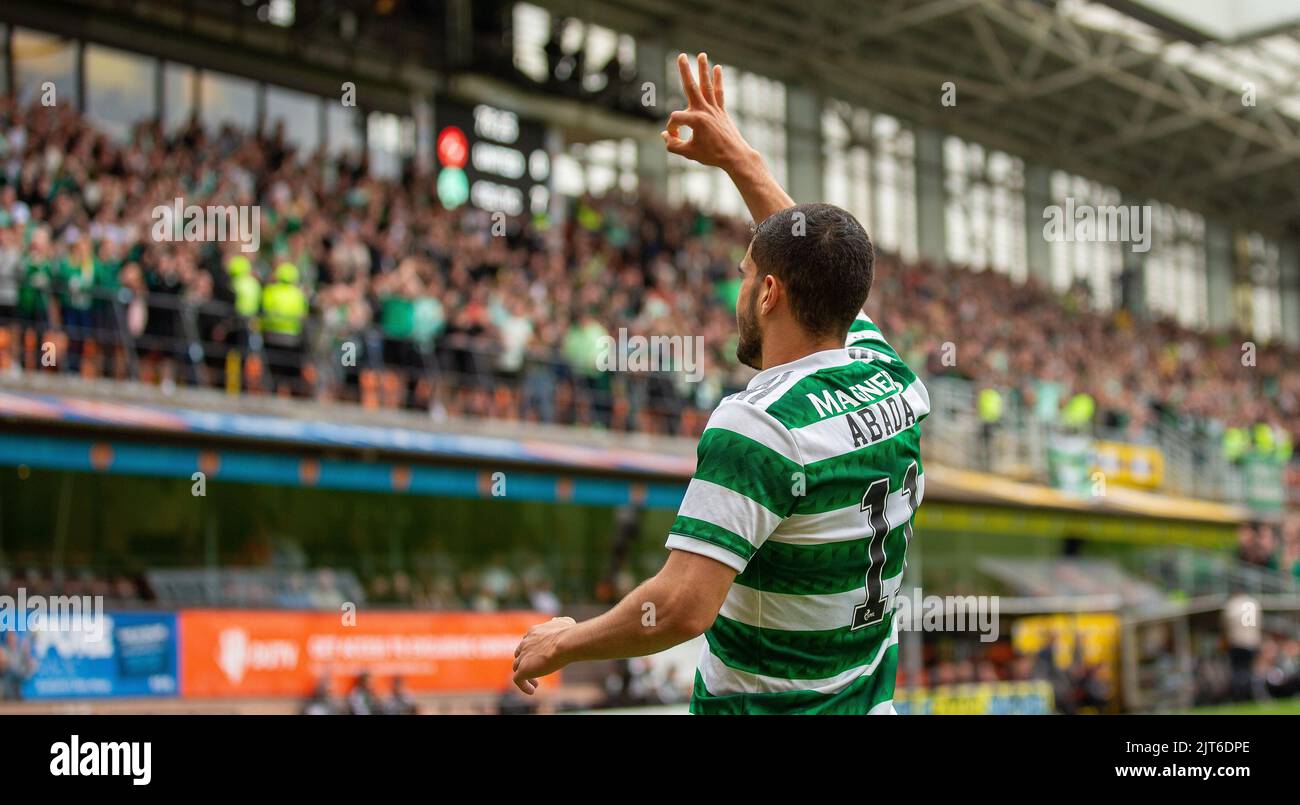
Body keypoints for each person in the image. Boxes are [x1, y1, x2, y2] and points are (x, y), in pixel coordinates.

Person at [512, 53, 928, 714]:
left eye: (743, 273)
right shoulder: (890, 377)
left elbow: (679, 607)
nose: (735, 288)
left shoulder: (761, 425)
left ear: (768, 292)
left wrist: (566, 641)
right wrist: (739, 157)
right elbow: (814, 258)